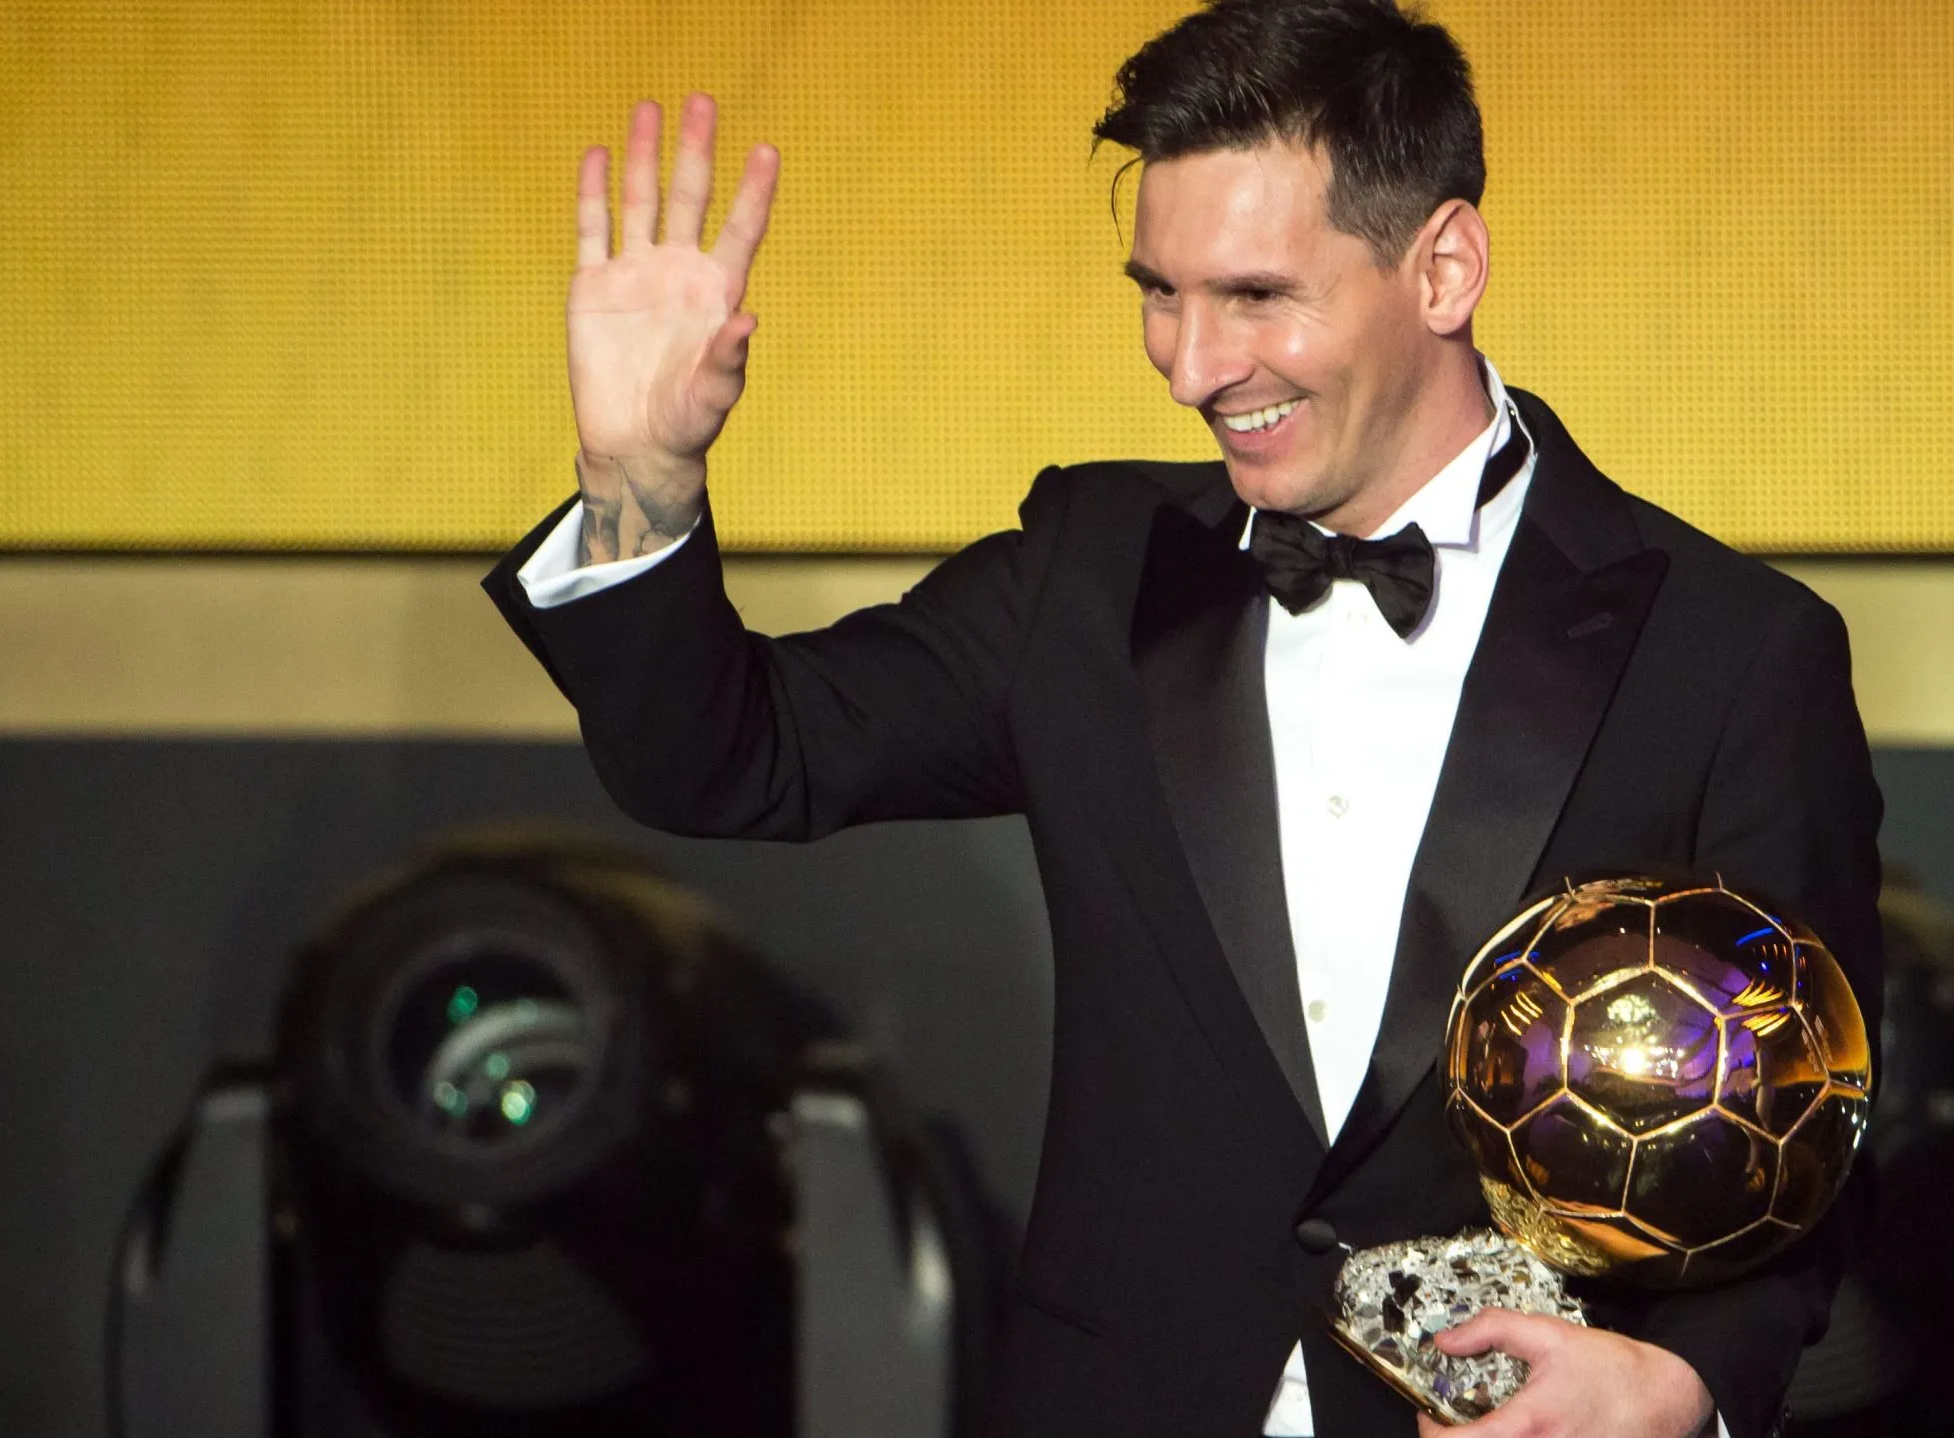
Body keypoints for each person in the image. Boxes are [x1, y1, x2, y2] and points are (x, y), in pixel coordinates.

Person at [484, 2, 1882, 1435]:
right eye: (1161, 292)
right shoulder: (1091, 572)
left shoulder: (1729, 653)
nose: (1192, 364)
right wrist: (636, 476)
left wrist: (1688, 1386)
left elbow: (1816, 1120)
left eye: (1257, 296)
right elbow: (732, 759)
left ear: (1443, 267)